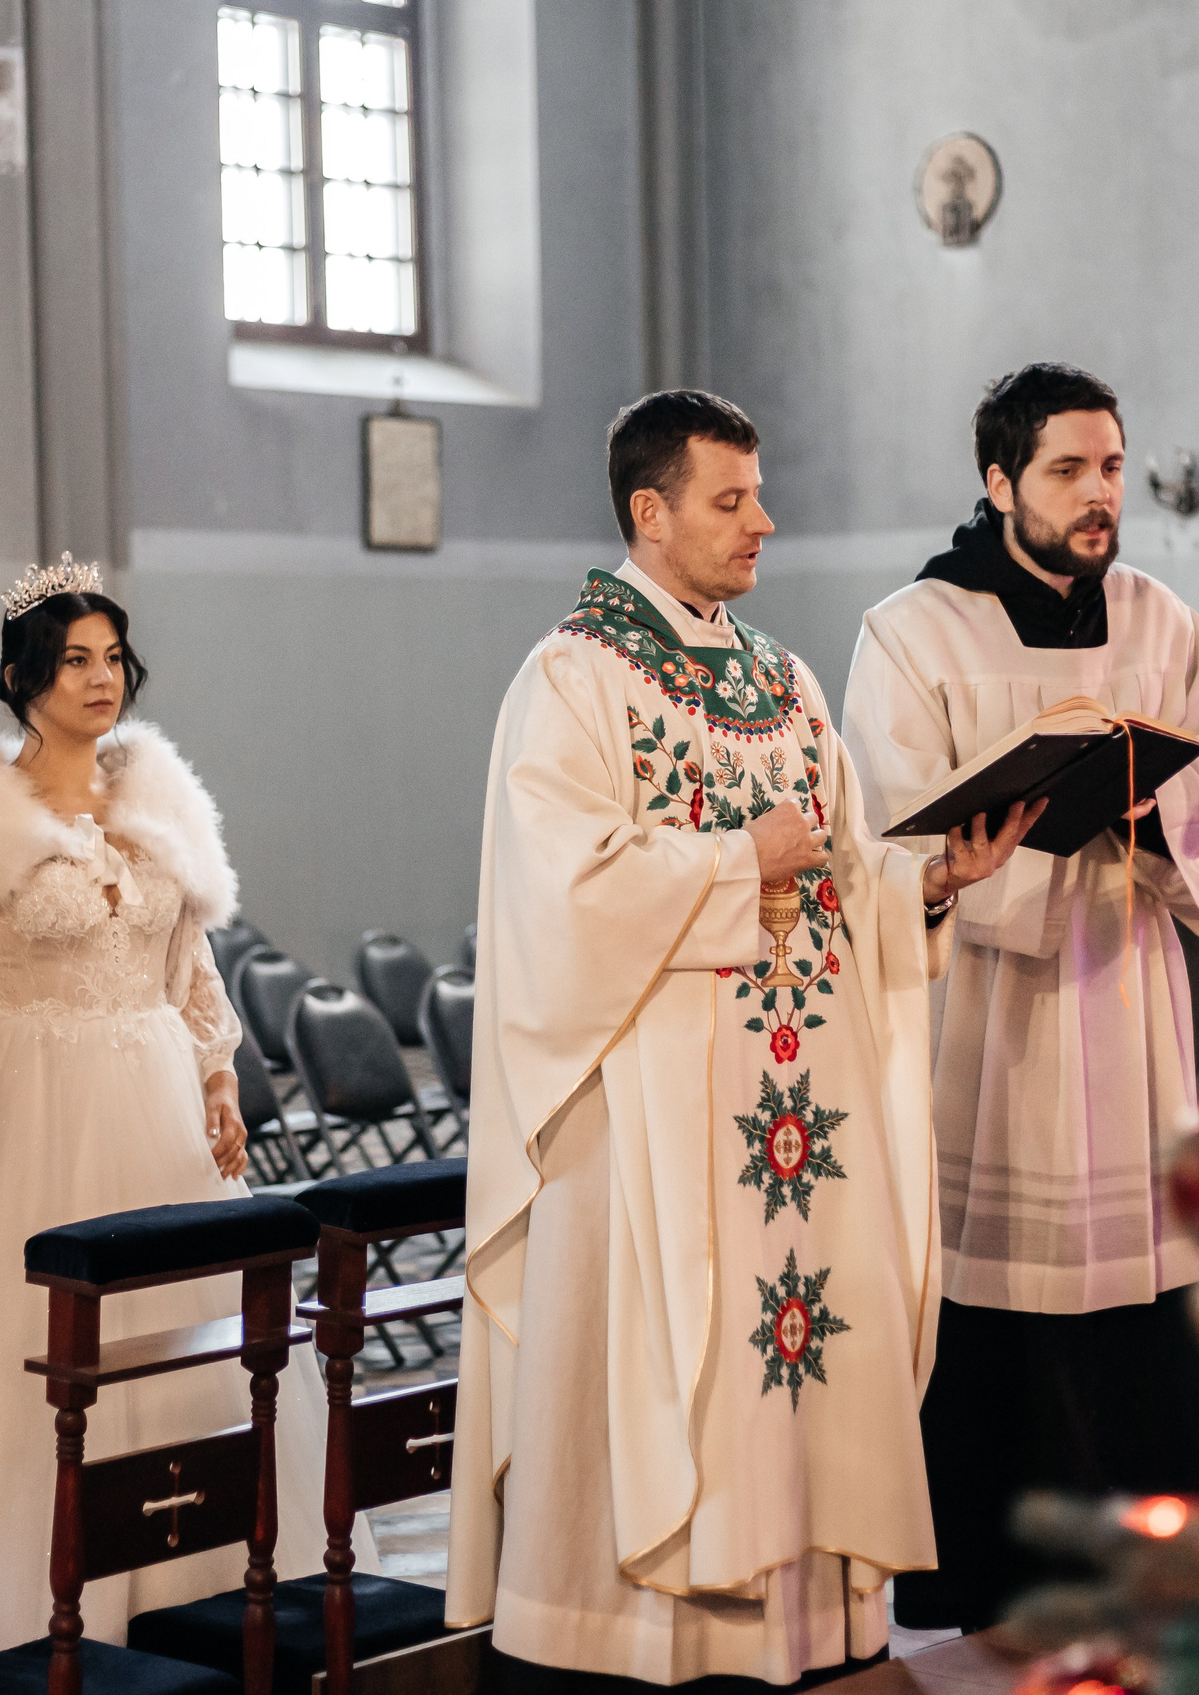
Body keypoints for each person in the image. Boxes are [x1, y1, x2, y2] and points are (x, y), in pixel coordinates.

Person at [447, 390, 1039, 1688]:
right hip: (650, 1126)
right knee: (671, 1384)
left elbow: (838, 867)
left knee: (792, 1367)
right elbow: (556, 902)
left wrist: (927, 881)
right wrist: (733, 859)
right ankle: (634, 1636)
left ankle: (795, 1629)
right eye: (731, 499)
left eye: (759, 493)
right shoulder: (571, 678)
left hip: (789, 1126)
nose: (763, 521)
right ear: (649, 514)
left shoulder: (781, 678)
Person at [0, 556, 364, 1680]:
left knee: (193, 1349)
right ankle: (15, 1621)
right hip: (24, 1102)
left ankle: (198, 1597)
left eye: (112, 659)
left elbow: (192, 963)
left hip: (156, 1100)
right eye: (74, 659)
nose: (101, 679)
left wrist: (220, 1081)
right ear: (20, 675)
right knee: (26, 1367)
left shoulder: (157, 795)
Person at [839, 363, 1199, 1642]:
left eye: (1113, 467)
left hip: (1127, 1002)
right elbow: (887, 834)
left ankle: (1150, 1585)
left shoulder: (1162, 619)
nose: (1097, 496)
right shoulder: (914, 631)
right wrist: (998, 850)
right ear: (998, 479)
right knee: (995, 1315)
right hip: (991, 1030)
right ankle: (993, 1595)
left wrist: (1153, 808)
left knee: (1136, 1314)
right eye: (1068, 470)